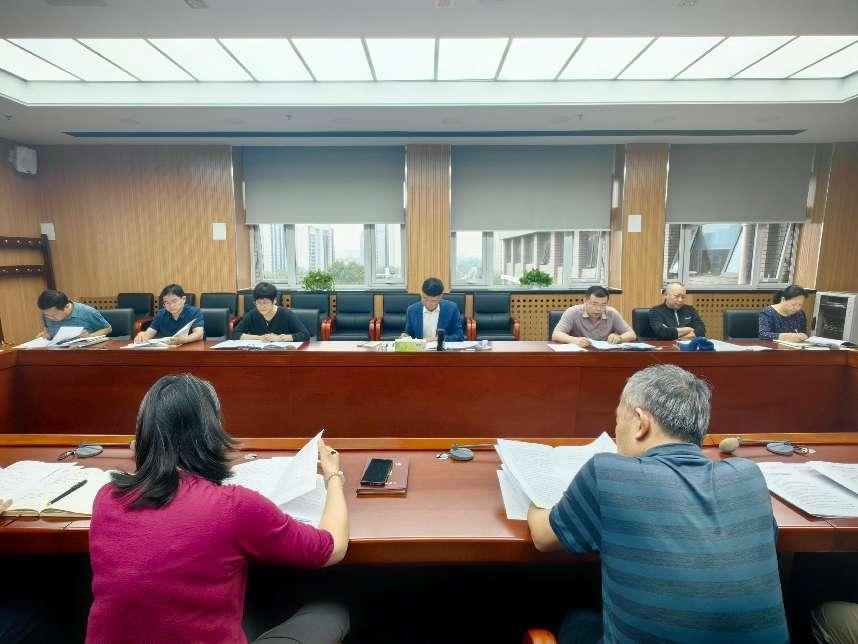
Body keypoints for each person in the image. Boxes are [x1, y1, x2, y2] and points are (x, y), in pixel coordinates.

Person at [527, 364, 788, 644]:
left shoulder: (608, 473)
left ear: (641, 423)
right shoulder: (748, 475)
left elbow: (542, 537)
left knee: (577, 618)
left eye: (618, 421)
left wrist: (532, 493)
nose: (616, 433)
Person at [86, 374, 349, 643]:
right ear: (210, 434)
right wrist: (333, 476)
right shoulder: (232, 506)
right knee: (331, 611)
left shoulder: (107, 498)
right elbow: (332, 548)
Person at [551, 286, 635, 347]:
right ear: (585, 301)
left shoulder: (612, 313)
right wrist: (574, 340)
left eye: (603, 305)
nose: (598, 309)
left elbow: (631, 334)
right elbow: (556, 334)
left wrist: (620, 338)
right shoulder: (573, 312)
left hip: (604, 355)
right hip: (580, 354)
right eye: (594, 304)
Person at [234, 282, 310, 342]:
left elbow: (305, 335)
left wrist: (280, 338)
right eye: (258, 303)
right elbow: (235, 334)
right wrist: (259, 337)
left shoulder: (286, 314)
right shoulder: (252, 315)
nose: (262, 306)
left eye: (265, 303)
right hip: (259, 354)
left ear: (274, 301)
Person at [134, 284, 204, 345]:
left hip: (190, 347)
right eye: (167, 303)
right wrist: (143, 335)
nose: (171, 306)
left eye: (174, 301)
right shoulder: (161, 314)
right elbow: (150, 333)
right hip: (168, 349)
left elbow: (199, 334)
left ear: (183, 299)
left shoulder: (194, 312)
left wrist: (183, 340)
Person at [403, 277, 464, 342]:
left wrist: (438, 339)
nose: (428, 304)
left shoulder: (451, 309)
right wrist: (405, 337)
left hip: (441, 348)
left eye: (433, 301)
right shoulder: (412, 310)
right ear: (421, 294)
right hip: (420, 348)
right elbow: (409, 335)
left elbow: (459, 336)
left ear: (441, 297)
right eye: (425, 298)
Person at [37, 290, 111, 339]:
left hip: (84, 351)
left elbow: (108, 329)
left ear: (66, 306)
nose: (50, 318)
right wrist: (46, 336)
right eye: (46, 315)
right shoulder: (47, 314)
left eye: (54, 315)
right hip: (59, 352)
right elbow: (49, 332)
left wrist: (90, 336)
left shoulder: (87, 312)